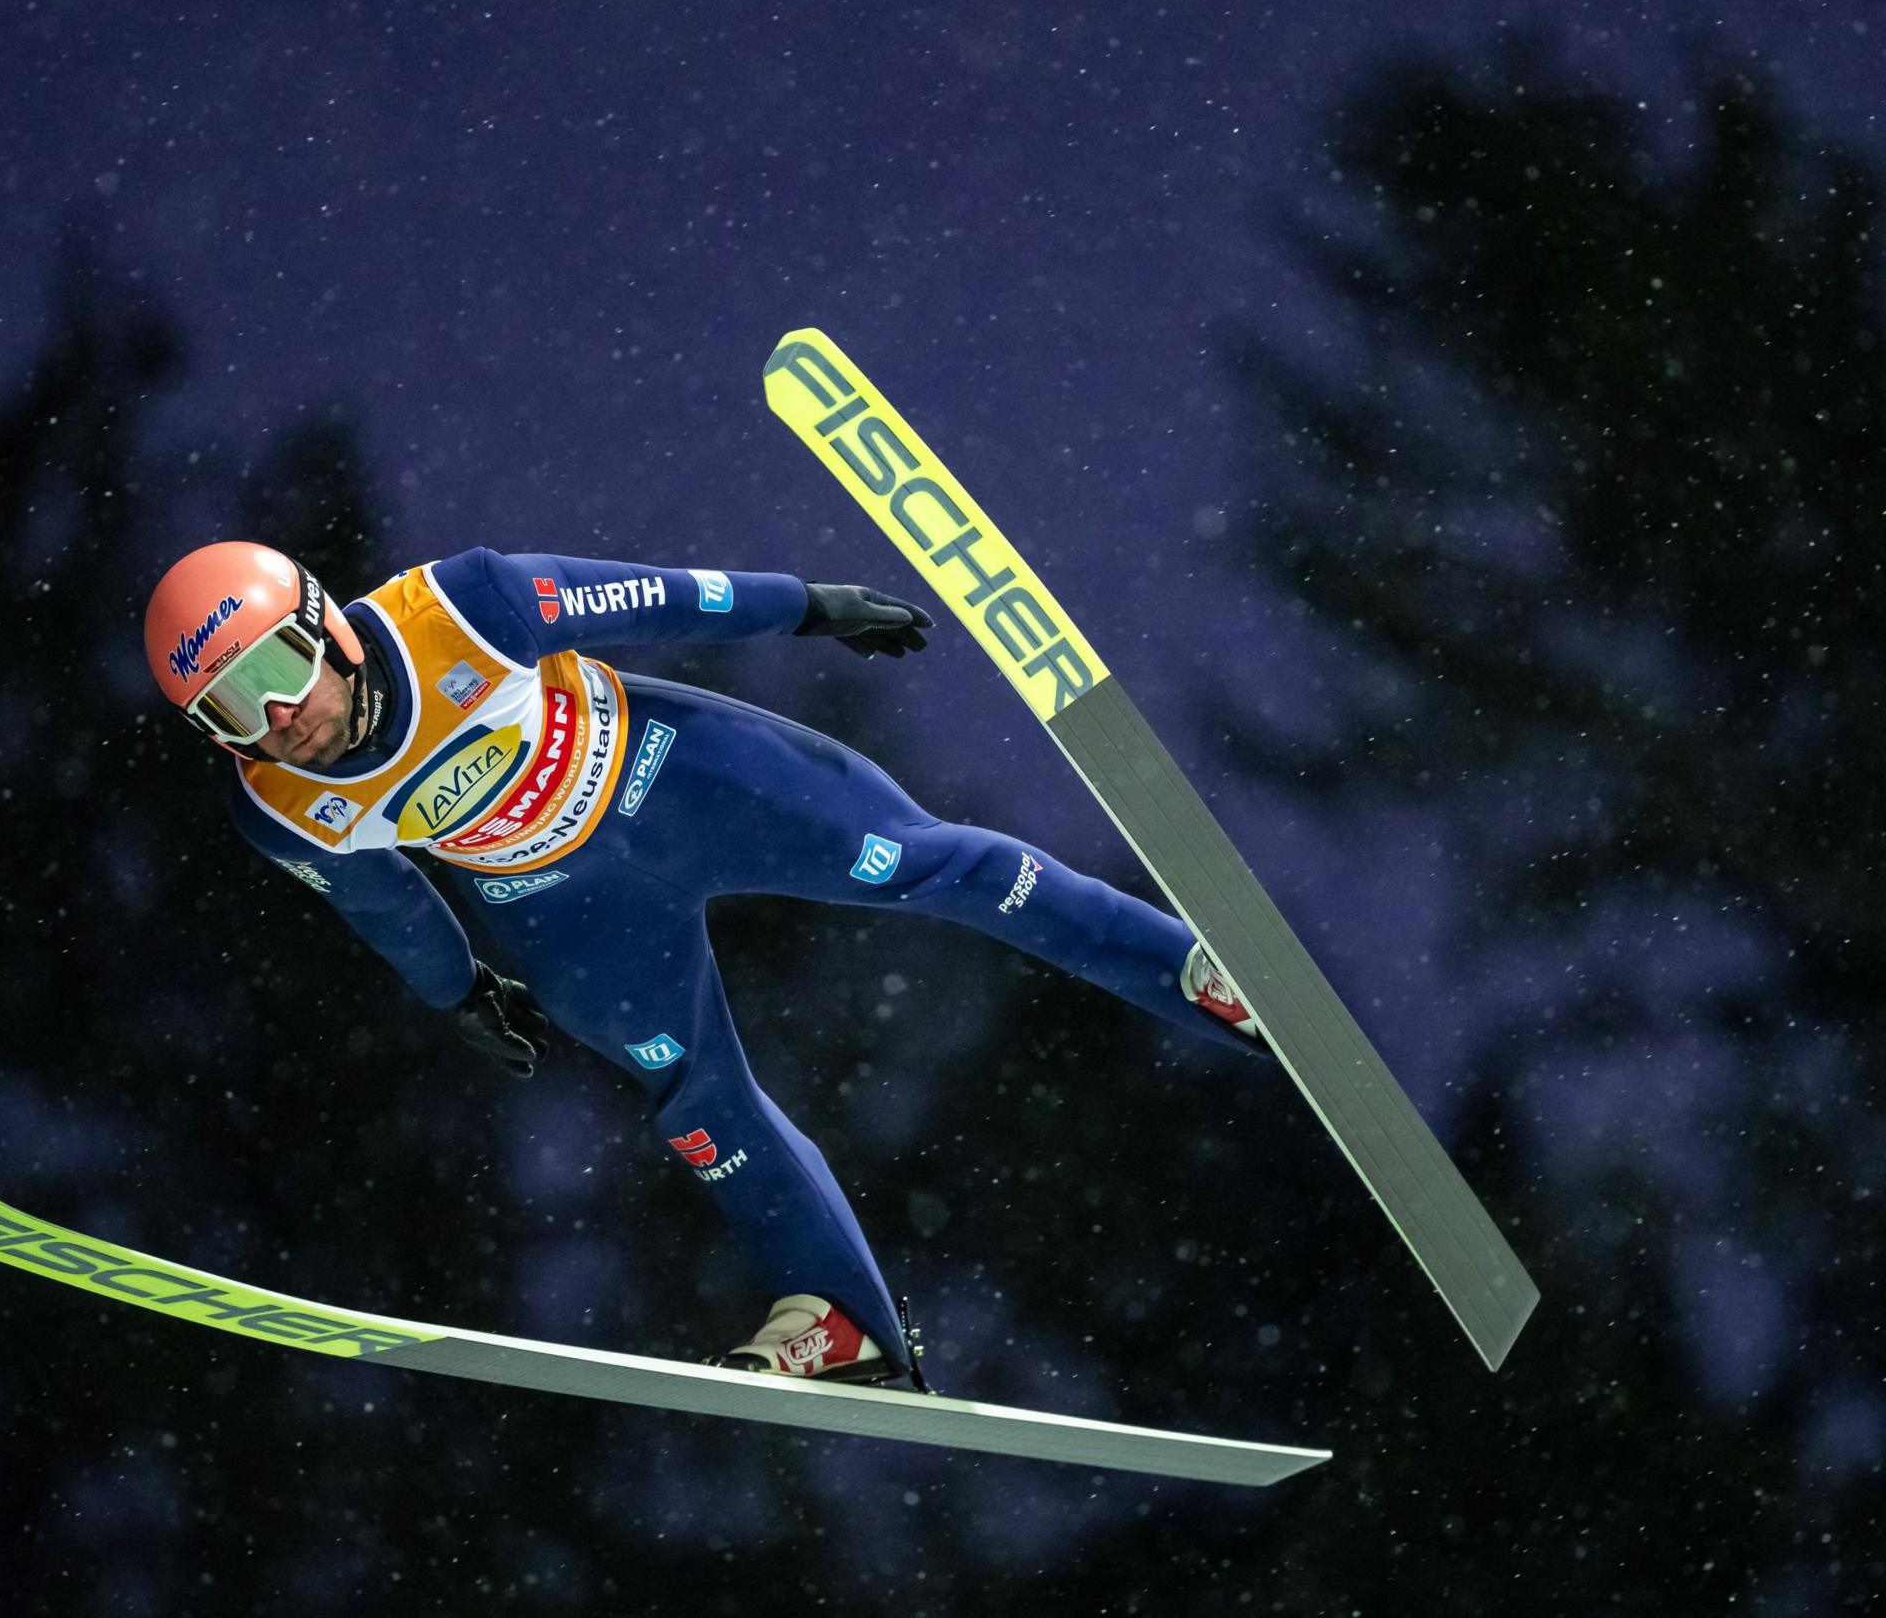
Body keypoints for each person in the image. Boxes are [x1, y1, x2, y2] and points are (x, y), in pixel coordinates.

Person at [144, 540, 1260, 1385]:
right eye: (233, 710)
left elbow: (665, 596)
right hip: (563, 905)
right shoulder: (277, 806)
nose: (280, 718)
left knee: (930, 867)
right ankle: (842, 1322)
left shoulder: (461, 606)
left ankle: (1191, 974)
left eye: (282, 670)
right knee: (694, 1102)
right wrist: (457, 990)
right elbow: (383, 901)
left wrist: (807, 608)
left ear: (329, 627)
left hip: (680, 779)